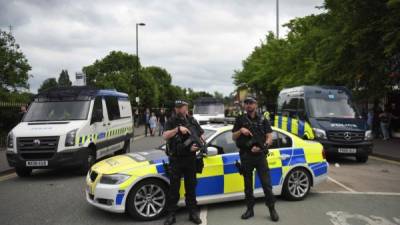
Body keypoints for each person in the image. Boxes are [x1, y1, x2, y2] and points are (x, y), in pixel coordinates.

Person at [232, 96, 279, 222]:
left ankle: (272, 209)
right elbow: (233, 137)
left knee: (266, 185)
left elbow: (269, 137)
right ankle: (250, 210)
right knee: (248, 186)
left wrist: (263, 146)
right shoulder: (240, 119)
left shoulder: (263, 119)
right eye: (246, 103)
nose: (248, 105)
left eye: (251, 103)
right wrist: (240, 130)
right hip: (246, 156)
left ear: (256, 105)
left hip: (260, 156)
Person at [163, 100, 204, 225]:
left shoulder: (192, 120)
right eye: (177, 107)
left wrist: (199, 144)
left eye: (181, 107)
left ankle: (192, 213)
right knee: (174, 189)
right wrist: (177, 129)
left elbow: (201, 135)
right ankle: (171, 215)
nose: (179, 109)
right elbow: (165, 135)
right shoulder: (171, 121)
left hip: (190, 159)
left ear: (187, 108)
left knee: (191, 188)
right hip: (176, 159)